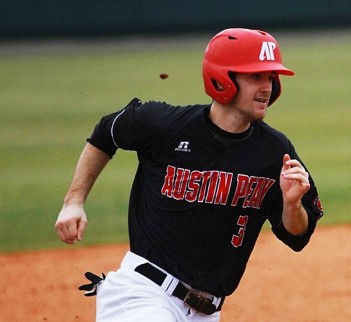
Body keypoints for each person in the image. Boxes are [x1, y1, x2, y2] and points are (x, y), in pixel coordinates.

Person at [55, 28, 324, 322]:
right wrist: (74, 201)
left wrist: (291, 204)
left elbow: (297, 236)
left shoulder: (275, 151)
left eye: (271, 77)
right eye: (255, 76)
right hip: (143, 294)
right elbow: (107, 134)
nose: (267, 87)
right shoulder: (164, 125)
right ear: (223, 78)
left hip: (206, 313)